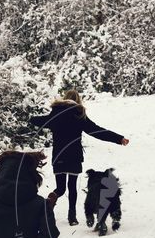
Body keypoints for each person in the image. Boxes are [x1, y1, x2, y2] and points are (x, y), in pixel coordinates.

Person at [30, 89, 129, 226]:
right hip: (74, 156)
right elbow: (97, 131)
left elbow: (41, 121)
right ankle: (72, 217)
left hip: (58, 155)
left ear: (64, 99)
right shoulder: (79, 115)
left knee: (60, 188)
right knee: (72, 187)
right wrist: (119, 139)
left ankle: (50, 200)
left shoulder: (55, 114)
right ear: (78, 100)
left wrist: (30, 119)